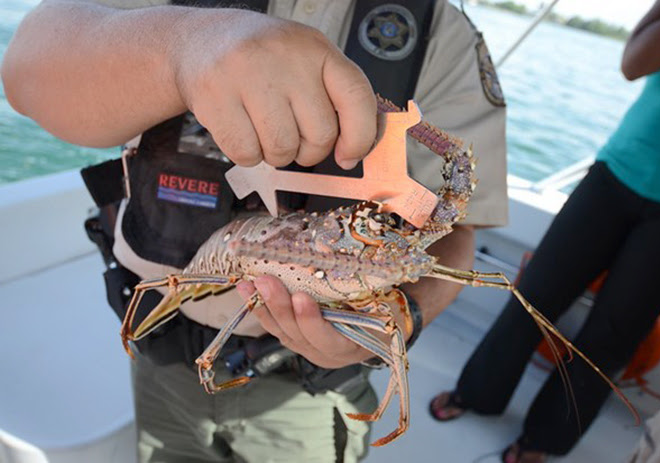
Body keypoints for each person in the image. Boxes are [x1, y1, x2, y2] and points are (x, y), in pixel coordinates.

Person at [2, 1, 508, 461]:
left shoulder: (442, 34)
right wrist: (185, 49)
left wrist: (404, 315)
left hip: (308, 393)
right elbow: (24, 74)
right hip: (162, 347)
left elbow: (456, 236)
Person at [428, 0, 660, 461]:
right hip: (617, 173)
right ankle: (478, 393)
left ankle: (544, 440)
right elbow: (635, 63)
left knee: (612, 333)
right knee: (534, 294)